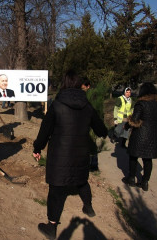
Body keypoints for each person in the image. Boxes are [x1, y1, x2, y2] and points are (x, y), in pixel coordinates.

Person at [33, 70, 108, 239]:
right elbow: (101, 130)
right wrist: (102, 132)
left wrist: (37, 148)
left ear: (65, 83)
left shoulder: (57, 104)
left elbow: (44, 131)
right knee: (81, 181)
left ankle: (51, 227)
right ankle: (88, 207)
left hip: (59, 155)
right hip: (81, 153)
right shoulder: (87, 105)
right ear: (80, 84)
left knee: (56, 190)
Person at [122, 83, 157, 191]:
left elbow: (135, 120)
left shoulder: (141, 103)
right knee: (148, 158)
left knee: (133, 156)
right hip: (154, 134)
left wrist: (126, 125)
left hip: (140, 134)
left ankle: (131, 178)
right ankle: (145, 182)